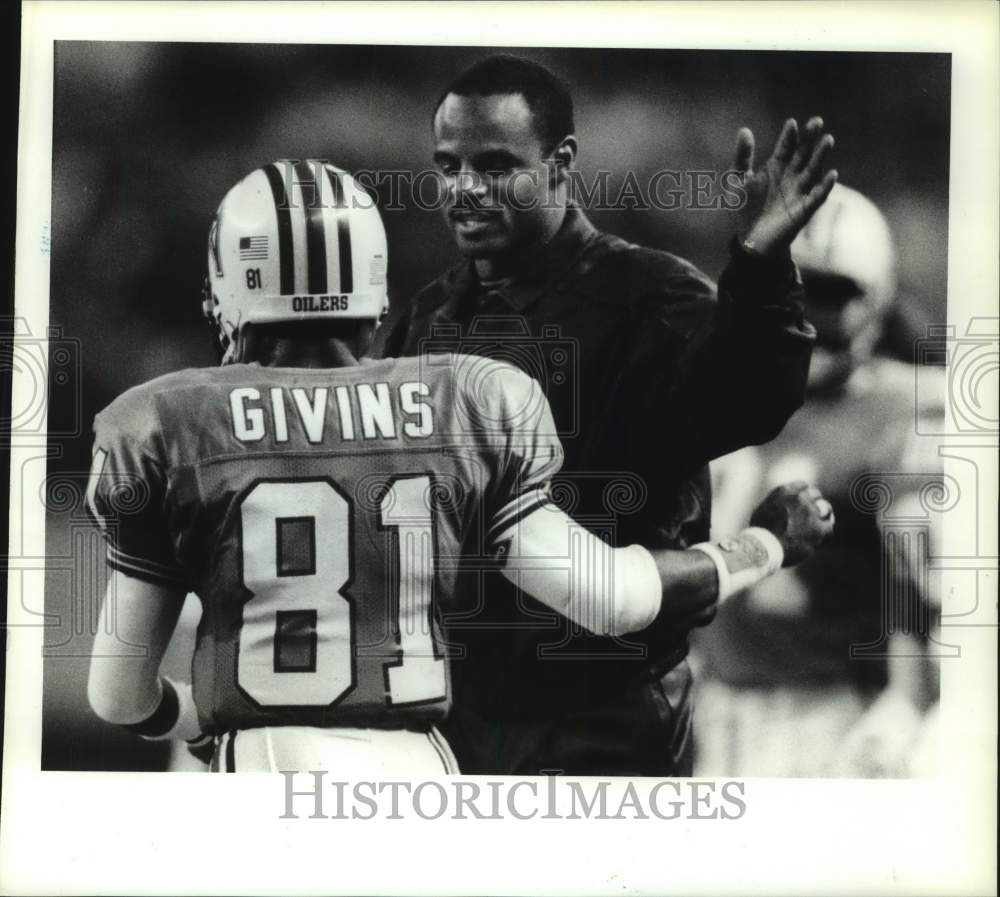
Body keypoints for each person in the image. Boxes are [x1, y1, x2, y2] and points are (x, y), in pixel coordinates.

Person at [85, 160, 835, 774]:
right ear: (373, 290)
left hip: (264, 770)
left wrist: (190, 715)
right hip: (422, 785)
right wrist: (760, 544)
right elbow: (615, 598)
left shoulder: (169, 424)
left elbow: (118, 695)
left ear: (232, 290)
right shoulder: (465, 403)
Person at [374, 54, 838, 774]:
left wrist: (760, 265)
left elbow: (754, 395)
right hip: (456, 716)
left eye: (495, 165)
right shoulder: (431, 313)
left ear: (561, 163)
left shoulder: (647, 294)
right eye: (447, 165)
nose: (464, 188)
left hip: (606, 719)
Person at [692, 183, 944, 777]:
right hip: (718, 710)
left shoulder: (905, 409)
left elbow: (928, 588)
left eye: (833, 294)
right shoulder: (721, 396)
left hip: (830, 716)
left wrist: (908, 701)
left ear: (879, 300)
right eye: (792, 289)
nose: (806, 315)